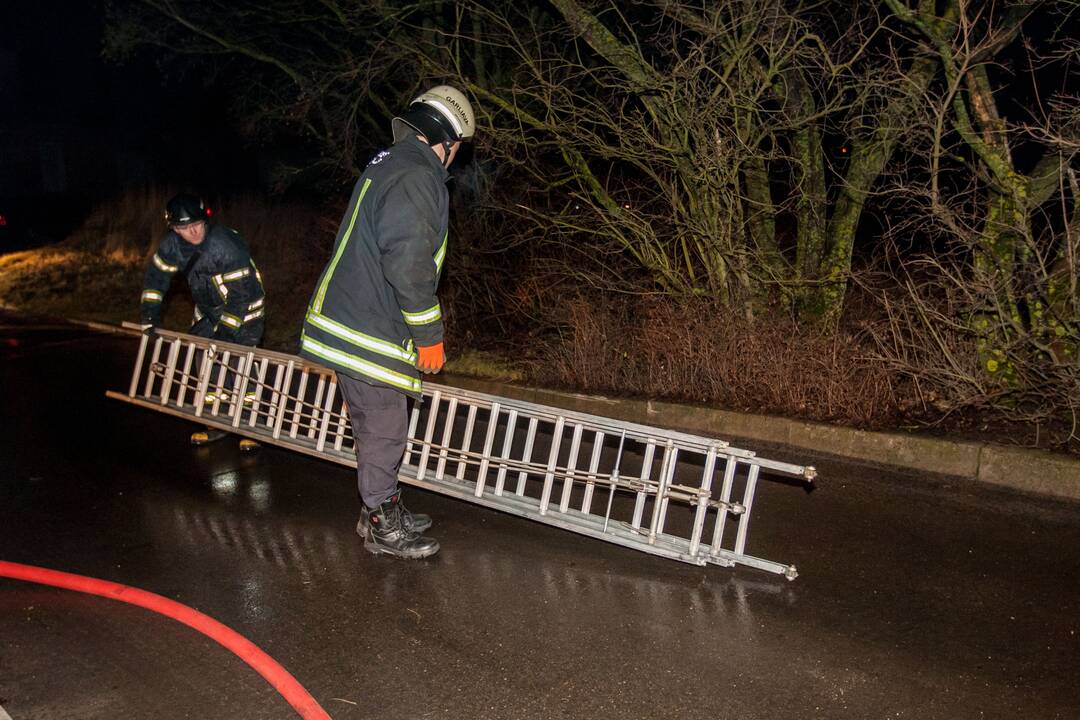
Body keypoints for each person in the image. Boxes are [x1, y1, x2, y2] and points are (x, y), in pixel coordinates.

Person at [299, 85, 475, 559]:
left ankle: (379, 505)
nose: (454, 159)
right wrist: (429, 336)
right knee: (384, 426)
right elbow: (409, 264)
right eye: (456, 150)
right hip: (367, 327)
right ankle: (382, 523)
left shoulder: (389, 164)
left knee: (373, 423)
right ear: (446, 139)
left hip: (352, 319)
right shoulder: (419, 177)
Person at [141, 193, 267, 449]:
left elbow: (241, 295)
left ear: (204, 220)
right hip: (209, 311)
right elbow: (155, 281)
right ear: (175, 229)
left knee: (239, 362)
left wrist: (228, 331)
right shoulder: (171, 247)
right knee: (206, 359)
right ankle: (216, 422)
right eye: (184, 228)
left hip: (246, 311)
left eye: (196, 225)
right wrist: (150, 318)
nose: (193, 232)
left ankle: (251, 425)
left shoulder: (225, 245)